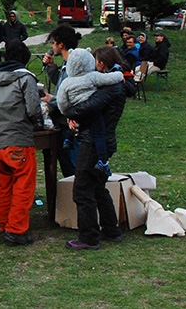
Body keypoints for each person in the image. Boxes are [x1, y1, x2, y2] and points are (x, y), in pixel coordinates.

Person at [62, 46, 134, 250]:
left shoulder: (112, 87)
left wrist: (69, 112)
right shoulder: (113, 83)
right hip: (100, 140)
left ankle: (89, 237)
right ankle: (111, 230)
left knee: (83, 189)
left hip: (94, 141)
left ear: (102, 63)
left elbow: (89, 106)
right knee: (97, 186)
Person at [0, 41, 43, 246]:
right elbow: (33, 109)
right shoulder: (26, 78)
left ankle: (4, 223)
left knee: (4, 186)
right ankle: (16, 229)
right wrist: (39, 123)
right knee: (23, 187)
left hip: (0, 140)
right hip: (20, 140)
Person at [56, 49, 125, 176]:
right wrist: (120, 75)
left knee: (84, 184)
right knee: (90, 186)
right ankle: (102, 162)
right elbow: (111, 78)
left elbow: (62, 100)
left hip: (87, 126)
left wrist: (67, 112)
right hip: (89, 124)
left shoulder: (67, 82)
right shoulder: (93, 77)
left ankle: (68, 140)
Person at [42, 25, 82, 177]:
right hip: (62, 122)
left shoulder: (73, 66)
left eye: (53, 43)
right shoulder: (66, 64)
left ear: (60, 44)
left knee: (73, 168)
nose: (52, 46)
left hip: (69, 124)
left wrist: (51, 100)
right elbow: (61, 85)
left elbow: (68, 97)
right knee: (66, 165)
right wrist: (51, 67)